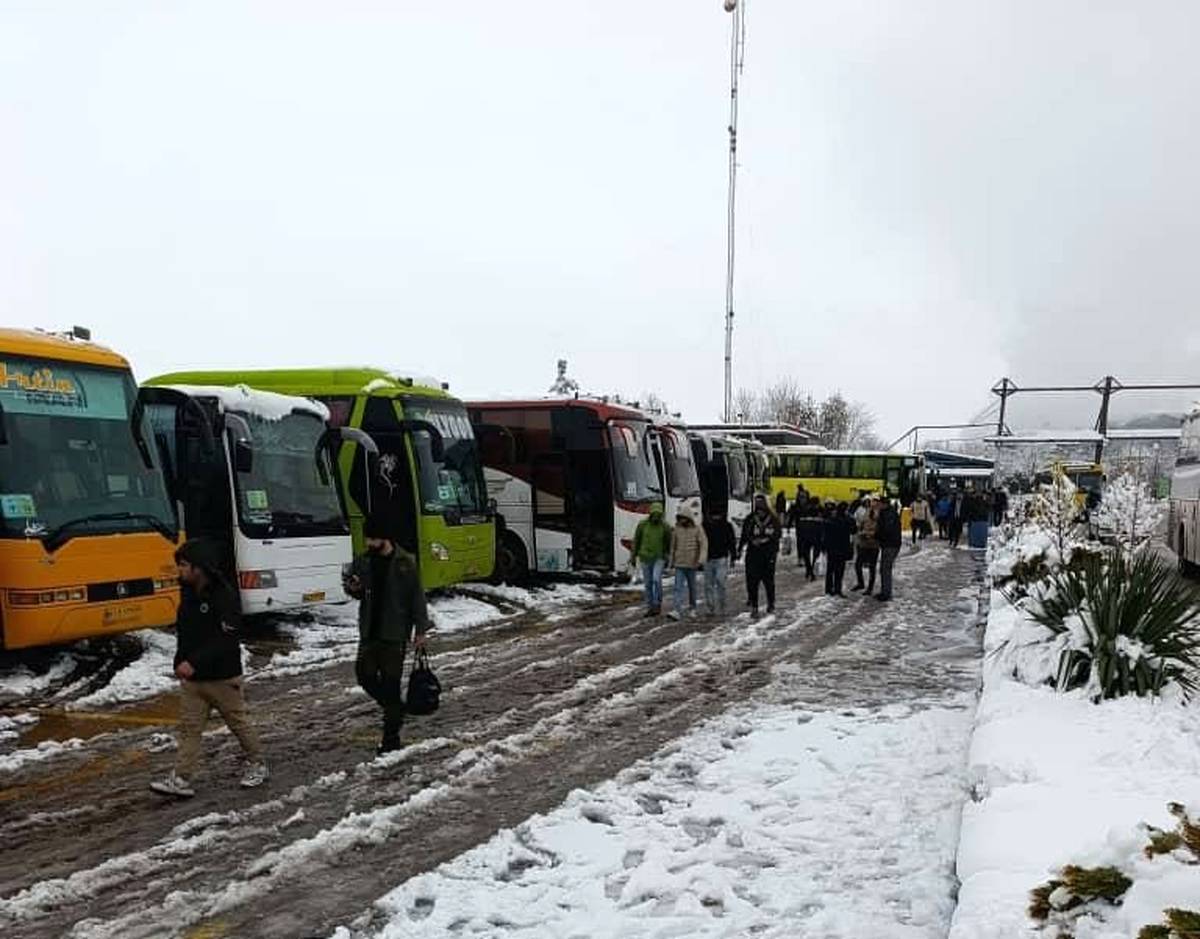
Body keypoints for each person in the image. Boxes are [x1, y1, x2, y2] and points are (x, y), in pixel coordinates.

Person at [150, 538, 267, 798]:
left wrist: (194, 662)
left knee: (238, 723)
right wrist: (180, 661)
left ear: (199, 568)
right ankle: (181, 778)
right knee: (189, 728)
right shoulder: (188, 594)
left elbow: (226, 639)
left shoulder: (224, 596)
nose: (179, 570)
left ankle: (257, 763)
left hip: (223, 677)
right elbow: (186, 634)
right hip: (193, 681)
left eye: (183, 565)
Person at [344, 517, 430, 754]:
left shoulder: (405, 562)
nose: (369, 543)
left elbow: (416, 598)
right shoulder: (363, 561)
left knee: (391, 685)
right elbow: (356, 589)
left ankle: (390, 739)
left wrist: (420, 630)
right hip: (369, 631)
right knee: (364, 675)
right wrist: (353, 588)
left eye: (373, 538)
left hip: (394, 634)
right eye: (367, 538)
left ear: (385, 538)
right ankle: (395, 709)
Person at [740, 494, 781, 617]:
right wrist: (741, 548)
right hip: (753, 555)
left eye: (762, 510)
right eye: (758, 511)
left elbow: (777, 535)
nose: (760, 513)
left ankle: (771, 603)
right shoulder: (750, 519)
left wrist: (766, 541)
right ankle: (754, 606)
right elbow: (745, 534)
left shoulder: (773, 520)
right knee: (752, 581)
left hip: (768, 555)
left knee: (768, 581)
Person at [632, 502, 672, 616]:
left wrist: (668, 555)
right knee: (648, 584)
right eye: (654, 514)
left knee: (656, 579)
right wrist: (633, 557)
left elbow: (669, 542)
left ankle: (657, 603)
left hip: (659, 557)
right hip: (644, 557)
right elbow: (636, 541)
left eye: (658, 515)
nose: (656, 517)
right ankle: (650, 607)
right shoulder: (642, 525)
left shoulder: (665, 527)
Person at [669, 507, 708, 620]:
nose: (682, 521)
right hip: (679, 563)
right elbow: (673, 547)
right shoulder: (676, 529)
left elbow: (703, 545)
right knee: (677, 587)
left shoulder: (697, 529)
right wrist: (671, 562)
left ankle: (693, 608)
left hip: (692, 564)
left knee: (692, 588)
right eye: (680, 518)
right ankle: (677, 610)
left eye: (683, 518)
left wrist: (701, 560)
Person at [702, 509, 737, 616]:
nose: (715, 517)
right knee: (708, 584)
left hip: (722, 558)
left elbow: (732, 542)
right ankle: (710, 608)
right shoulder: (704, 526)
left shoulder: (727, 526)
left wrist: (733, 557)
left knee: (720, 582)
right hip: (708, 559)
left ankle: (722, 606)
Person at [823, 502, 854, 597]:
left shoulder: (831, 520)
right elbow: (854, 530)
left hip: (832, 548)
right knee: (839, 570)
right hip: (843, 548)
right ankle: (838, 589)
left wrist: (825, 546)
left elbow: (825, 534)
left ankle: (828, 589)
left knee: (830, 569)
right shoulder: (848, 520)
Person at [791, 496, 824, 581]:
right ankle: (811, 569)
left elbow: (799, 521)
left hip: (805, 535)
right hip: (816, 536)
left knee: (806, 554)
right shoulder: (820, 509)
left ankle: (809, 570)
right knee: (815, 554)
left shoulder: (804, 509)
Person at [876, 498, 903, 601]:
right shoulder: (888, 513)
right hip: (890, 544)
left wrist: (876, 535)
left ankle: (886, 593)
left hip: (890, 544)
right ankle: (885, 591)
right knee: (884, 569)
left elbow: (886, 530)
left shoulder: (888, 514)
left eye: (880, 504)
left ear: (884, 504)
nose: (878, 506)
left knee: (885, 569)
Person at [853, 497, 880, 595]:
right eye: (871, 502)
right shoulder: (866, 512)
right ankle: (861, 583)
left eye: (874, 501)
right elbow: (861, 524)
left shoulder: (880, 514)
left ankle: (870, 588)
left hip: (874, 544)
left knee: (872, 567)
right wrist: (861, 532)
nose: (872, 503)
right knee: (857, 564)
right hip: (863, 542)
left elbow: (880, 529)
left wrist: (871, 534)